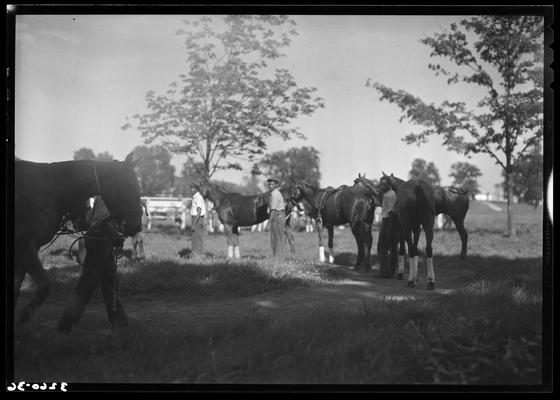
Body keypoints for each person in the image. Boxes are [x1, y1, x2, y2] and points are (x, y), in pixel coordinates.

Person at [377, 179, 400, 278]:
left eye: (383, 184)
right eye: (380, 184)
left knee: (382, 247)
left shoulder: (387, 195)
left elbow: (391, 211)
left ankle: (384, 272)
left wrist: (389, 228)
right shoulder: (393, 193)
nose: (381, 186)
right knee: (393, 247)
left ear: (389, 185)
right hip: (394, 222)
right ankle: (392, 272)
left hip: (388, 221)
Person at [267, 177, 285, 260]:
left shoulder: (275, 195)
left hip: (277, 216)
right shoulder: (273, 193)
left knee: (276, 238)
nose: (270, 186)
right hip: (278, 215)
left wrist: (268, 223)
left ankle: (279, 259)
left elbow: (273, 210)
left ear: (276, 185)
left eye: (272, 184)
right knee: (276, 238)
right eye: (269, 184)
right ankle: (277, 257)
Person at [190, 182, 206, 258]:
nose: (191, 190)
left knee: (197, 237)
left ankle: (199, 254)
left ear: (196, 189)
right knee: (194, 237)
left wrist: (194, 224)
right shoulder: (195, 197)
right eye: (191, 188)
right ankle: (195, 253)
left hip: (197, 219)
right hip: (195, 218)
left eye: (193, 188)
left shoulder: (198, 197)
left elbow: (199, 211)